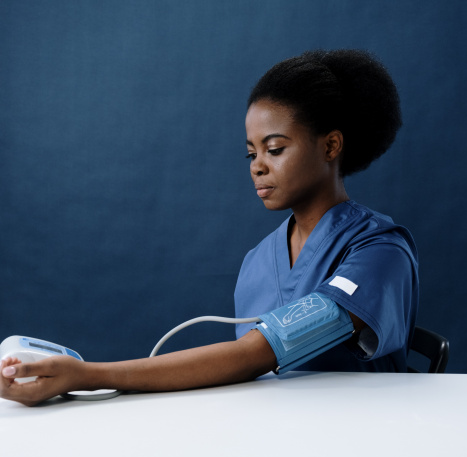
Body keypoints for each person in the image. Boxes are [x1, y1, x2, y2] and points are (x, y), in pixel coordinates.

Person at [0, 49, 418, 407]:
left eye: (275, 149)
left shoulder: (380, 254)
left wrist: (86, 375)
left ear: (330, 146)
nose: (257, 165)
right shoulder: (259, 261)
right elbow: (249, 380)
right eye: (251, 152)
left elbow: (255, 354)